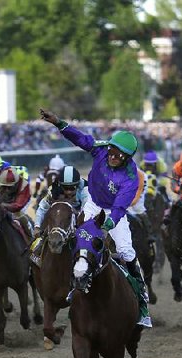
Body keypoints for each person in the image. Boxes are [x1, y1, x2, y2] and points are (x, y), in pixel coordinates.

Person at [40, 108, 151, 327]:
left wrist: (107, 225)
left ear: (127, 157)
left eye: (118, 154)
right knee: (75, 237)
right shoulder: (101, 149)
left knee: (127, 253)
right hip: (92, 203)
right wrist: (59, 123)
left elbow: (120, 208)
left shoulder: (131, 177)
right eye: (111, 149)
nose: (112, 155)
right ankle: (73, 285)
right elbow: (81, 139)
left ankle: (143, 303)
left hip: (113, 213)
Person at [30, 165, 89, 264]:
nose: (69, 192)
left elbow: (86, 212)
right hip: (61, 215)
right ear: (60, 185)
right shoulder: (53, 188)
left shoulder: (85, 189)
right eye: (65, 188)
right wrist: (37, 226)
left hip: (80, 212)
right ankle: (37, 252)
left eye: (72, 188)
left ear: (78, 185)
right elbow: (42, 208)